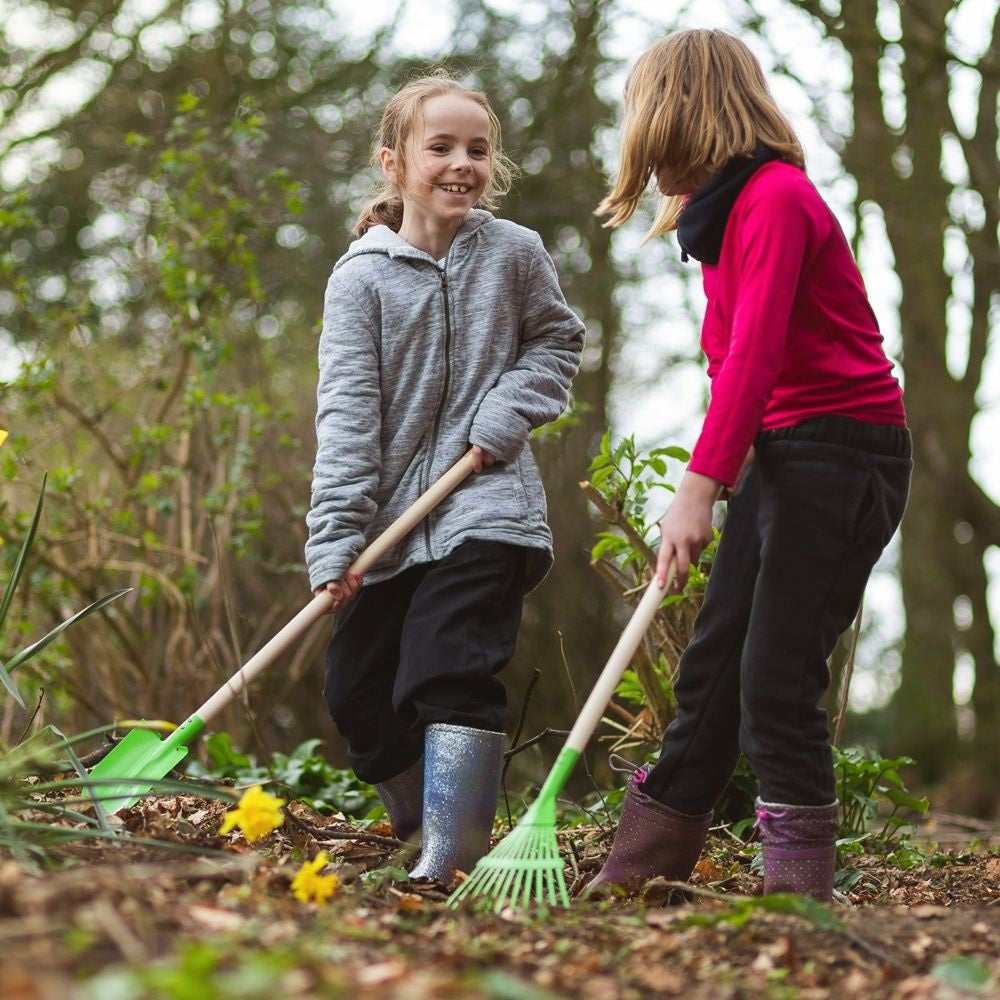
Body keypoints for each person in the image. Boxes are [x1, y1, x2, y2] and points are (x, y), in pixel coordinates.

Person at [587, 29, 912, 903]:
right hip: (781, 450)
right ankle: (638, 873)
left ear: (682, 118)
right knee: (712, 671)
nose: (648, 165)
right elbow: (732, 368)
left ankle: (799, 899)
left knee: (775, 679)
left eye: (651, 139)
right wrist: (720, 474)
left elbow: (759, 356)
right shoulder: (725, 217)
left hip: (844, 451)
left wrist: (699, 487)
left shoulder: (774, 199)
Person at [305, 71, 584, 884]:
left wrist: (501, 420)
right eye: (442, 148)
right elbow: (348, 419)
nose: (463, 163)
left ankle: (452, 860)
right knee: (358, 694)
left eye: (478, 149)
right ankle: (424, 830)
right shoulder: (360, 279)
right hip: (389, 523)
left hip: (486, 506)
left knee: (446, 666)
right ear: (393, 163)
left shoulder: (514, 253)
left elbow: (557, 345)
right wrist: (336, 541)